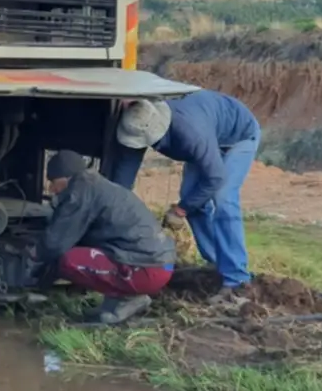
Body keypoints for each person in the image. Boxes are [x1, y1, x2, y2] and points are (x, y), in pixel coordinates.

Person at [109, 90, 261, 302]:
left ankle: (237, 280)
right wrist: (111, 206)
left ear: (156, 132)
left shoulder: (190, 133)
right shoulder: (138, 123)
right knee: (192, 198)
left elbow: (215, 177)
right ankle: (218, 264)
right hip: (210, 136)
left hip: (239, 136)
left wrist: (180, 210)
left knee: (223, 198)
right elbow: (123, 179)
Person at [33, 150, 177, 324]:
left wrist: (30, 259)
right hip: (161, 264)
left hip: (148, 270)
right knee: (92, 254)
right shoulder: (95, 185)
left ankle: (128, 299)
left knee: (68, 260)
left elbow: (55, 244)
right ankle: (121, 299)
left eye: (53, 182)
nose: (51, 189)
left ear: (66, 178)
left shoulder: (80, 192)